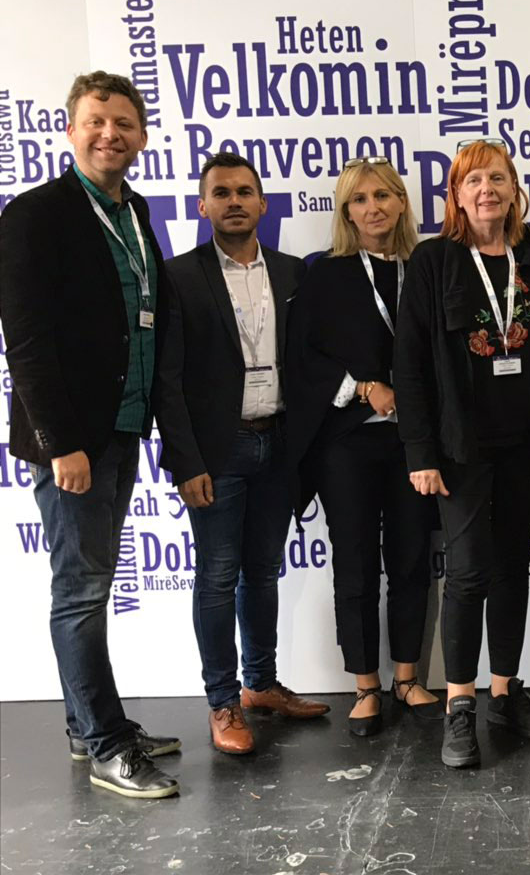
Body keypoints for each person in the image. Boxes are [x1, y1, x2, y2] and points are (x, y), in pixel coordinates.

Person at [0, 72, 179, 798]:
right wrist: (59, 443)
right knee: (80, 590)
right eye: (96, 121)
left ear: (142, 136)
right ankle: (107, 746)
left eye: (124, 124)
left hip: (122, 427)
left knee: (91, 585)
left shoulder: (134, 209)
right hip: (72, 441)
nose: (111, 134)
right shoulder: (34, 214)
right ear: (71, 130)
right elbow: (26, 341)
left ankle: (88, 725)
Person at [155, 153, 328, 755]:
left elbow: (308, 363)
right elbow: (167, 380)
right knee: (218, 575)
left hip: (278, 443)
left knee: (262, 571)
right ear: (203, 206)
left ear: (262, 204)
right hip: (217, 450)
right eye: (222, 193)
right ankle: (222, 701)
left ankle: (260, 684)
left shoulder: (292, 272)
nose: (234, 201)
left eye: (244, 192)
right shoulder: (178, 277)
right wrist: (186, 461)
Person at [395, 140, 530, 767]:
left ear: (514, 189)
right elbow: (409, 363)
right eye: (473, 181)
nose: (486, 190)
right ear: (456, 197)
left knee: (513, 566)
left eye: (497, 178)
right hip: (460, 449)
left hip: (527, 443)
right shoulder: (434, 260)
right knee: (467, 573)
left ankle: (505, 692)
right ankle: (459, 703)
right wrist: (420, 452)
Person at [286, 157, 438, 737]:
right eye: (359, 199)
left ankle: (407, 678)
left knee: (411, 560)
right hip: (346, 444)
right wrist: (364, 387)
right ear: (346, 212)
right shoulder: (326, 276)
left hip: (412, 444)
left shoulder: (424, 268)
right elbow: (304, 358)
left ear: (401, 202)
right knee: (354, 564)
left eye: (382, 196)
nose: (372, 207)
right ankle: (366, 685)